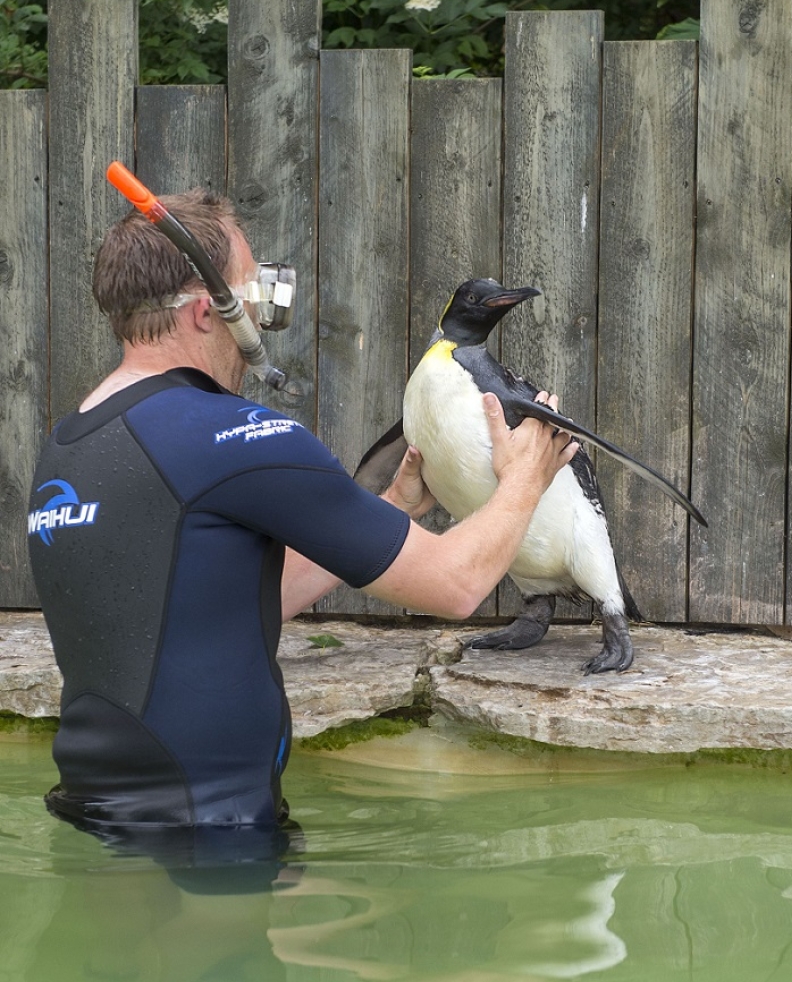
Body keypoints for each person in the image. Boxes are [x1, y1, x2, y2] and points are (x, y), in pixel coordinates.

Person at [27, 189, 577, 840]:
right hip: (211, 837)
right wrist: (523, 480)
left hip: (97, 815)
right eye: (256, 288)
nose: (261, 311)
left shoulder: (71, 443)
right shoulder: (236, 434)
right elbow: (453, 583)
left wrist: (391, 507)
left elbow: (204, 604)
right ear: (209, 310)